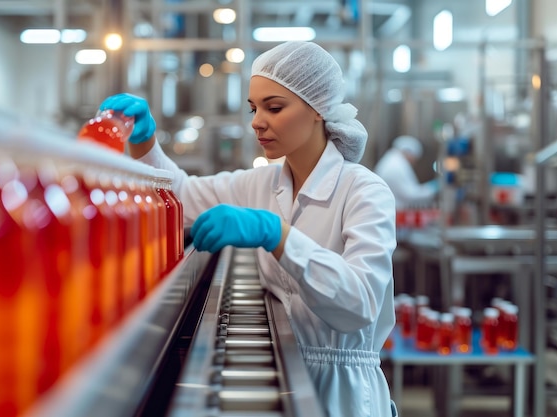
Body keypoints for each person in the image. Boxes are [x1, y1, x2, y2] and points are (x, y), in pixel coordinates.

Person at [100, 41, 397, 417]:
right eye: (254, 108)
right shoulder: (261, 184)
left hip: (344, 394)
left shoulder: (364, 191)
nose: (257, 121)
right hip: (283, 378)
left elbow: (360, 304)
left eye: (274, 107)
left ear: (318, 110)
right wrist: (144, 144)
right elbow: (179, 196)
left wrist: (278, 235)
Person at [374, 135, 439, 209]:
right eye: (414, 157)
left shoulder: (393, 159)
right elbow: (410, 195)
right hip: (392, 209)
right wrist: (431, 188)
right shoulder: (396, 165)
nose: (414, 162)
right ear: (409, 153)